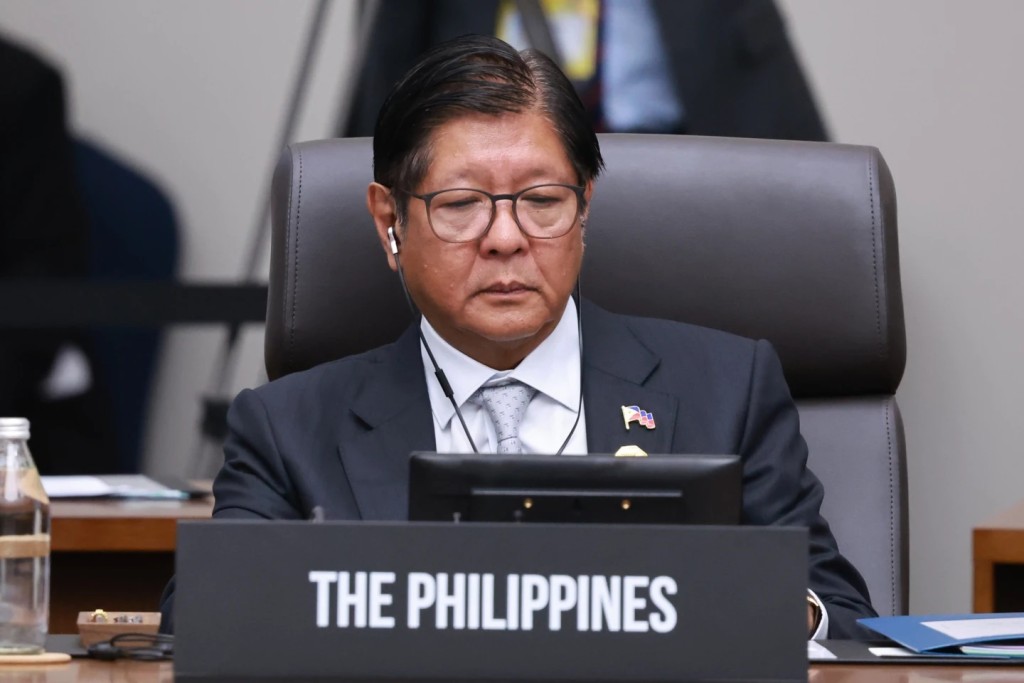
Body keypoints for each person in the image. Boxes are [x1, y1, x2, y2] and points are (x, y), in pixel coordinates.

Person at [160, 34, 874, 638]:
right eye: (462, 205)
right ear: (389, 222)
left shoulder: (727, 389)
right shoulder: (288, 430)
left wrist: (735, 600)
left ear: (585, 206)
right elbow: (200, 622)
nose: (507, 238)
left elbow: (838, 618)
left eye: (541, 201)